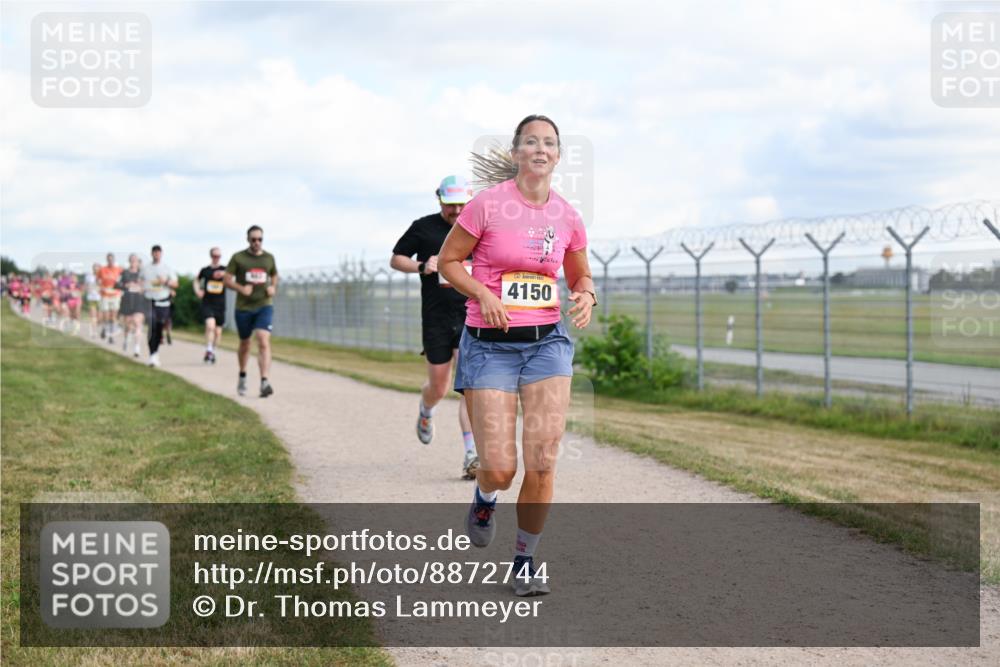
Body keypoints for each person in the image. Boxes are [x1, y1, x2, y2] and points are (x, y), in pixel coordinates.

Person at [439, 114, 596, 597]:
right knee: (501, 468)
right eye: (531, 141)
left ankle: (524, 561)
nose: (540, 149)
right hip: (490, 347)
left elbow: (579, 272)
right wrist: (483, 295)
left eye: (549, 143)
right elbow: (448, 263)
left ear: (558, 156)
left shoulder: (567, 215)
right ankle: (486, 496)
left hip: (547, 344)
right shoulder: (487, 205)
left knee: (544, 460)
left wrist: (587, 294)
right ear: (515, 153)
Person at [391, 175, 479, 479]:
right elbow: (396, 258)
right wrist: (420, 266)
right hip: (437, 318)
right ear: (439, 199)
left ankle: (472, 454)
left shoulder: (477, 228)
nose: (456, 210)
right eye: (450, 204)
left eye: (461, 204)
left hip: (470, 315)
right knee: (439, 387)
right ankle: (426, 410)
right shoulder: (424, 227)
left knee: (469, 387)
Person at [224, 225, 278, 397]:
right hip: (244, 308)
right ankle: (242, 375)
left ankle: (264, 381)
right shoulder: (238, 258)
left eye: (259, 239)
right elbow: (226, 280)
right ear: (248, 240)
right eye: (253, 239)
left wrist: (273, 287)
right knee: (245, 343)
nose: (256, 242)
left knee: (263, 340)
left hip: (264, 305)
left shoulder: (269, 258)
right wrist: (241, 288)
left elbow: (274, 275)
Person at [140, 245, 178, 368]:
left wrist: (166, 282)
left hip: (163, 301)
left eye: (158, 252)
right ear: (151, 254)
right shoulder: (146, 269)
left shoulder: (167, 268)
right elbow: (140, 282)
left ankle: (156, 352)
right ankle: (152, 354)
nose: (156, 254)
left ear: (161, 254)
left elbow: (175, 284)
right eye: (154, 252)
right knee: (152, 326)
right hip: (150, 301)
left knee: (159, 327)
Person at [195, 247, 227, 364]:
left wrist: (224, 273)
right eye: (214, 255)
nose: (216, 258)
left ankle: (211, 351)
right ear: (211, 256)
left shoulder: (225, 269)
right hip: (207, 303)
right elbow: (196, 280)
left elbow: (234, 276)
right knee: (210, 326)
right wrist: (198, 290)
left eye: (218, 256)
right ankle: (208, 350)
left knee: (218, 333)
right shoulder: (205, 270)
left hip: (220, 305)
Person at [118, 254, 146, 358]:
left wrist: (141, 288)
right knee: (128, 325)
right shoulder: (124, 273)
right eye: (132, 260)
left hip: (139, 301)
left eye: (136, 261)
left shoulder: (142, 274)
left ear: (138, 262)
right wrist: (125, 285)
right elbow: (117, 284)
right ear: (129, 261)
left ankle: (137, 348)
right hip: (127, 301)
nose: (134, 262)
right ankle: (126, 339)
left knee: (137, 322)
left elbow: (147, 286)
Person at [97, 253, 123, 343]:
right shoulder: (102, 270)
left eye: (112, 259)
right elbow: (98, 281)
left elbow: (123, 279)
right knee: (106, 316)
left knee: (113, 316)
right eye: (109, 259)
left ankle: (111, 336)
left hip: (115, 295)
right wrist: (100, 287)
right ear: (107, 260)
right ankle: (104, 328)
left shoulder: (118, 269)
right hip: (105, 295)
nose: (110, 261)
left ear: (114, 260)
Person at [84, 263, 101, 337]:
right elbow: (86, 286)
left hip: (100, 298)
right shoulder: (89, 277)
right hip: (91, 298)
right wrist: (88, 289)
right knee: (93, 316)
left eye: (97, 268)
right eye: (95, 268)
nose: (96, 269)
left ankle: (99, 328)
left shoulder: (102, 276)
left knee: (100, 317)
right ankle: (93, 332)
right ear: (93, 268)